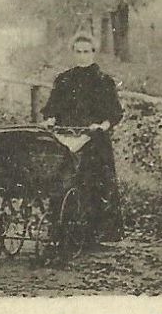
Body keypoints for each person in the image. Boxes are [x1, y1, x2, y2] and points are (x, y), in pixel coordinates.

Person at [39, 31, 123, 243]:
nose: (82, 56)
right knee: (62, 179)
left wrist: (101, 126)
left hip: (94, 140)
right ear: (73, 53)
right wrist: (50, 120)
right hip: (67, 137)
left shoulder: (104, 82)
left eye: (87, 52)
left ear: (94, 53)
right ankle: (62, 232)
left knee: (93, 183)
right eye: (78, 52)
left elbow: (114, 113)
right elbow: (51, 109)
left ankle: (93, 235)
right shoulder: (64, 80)